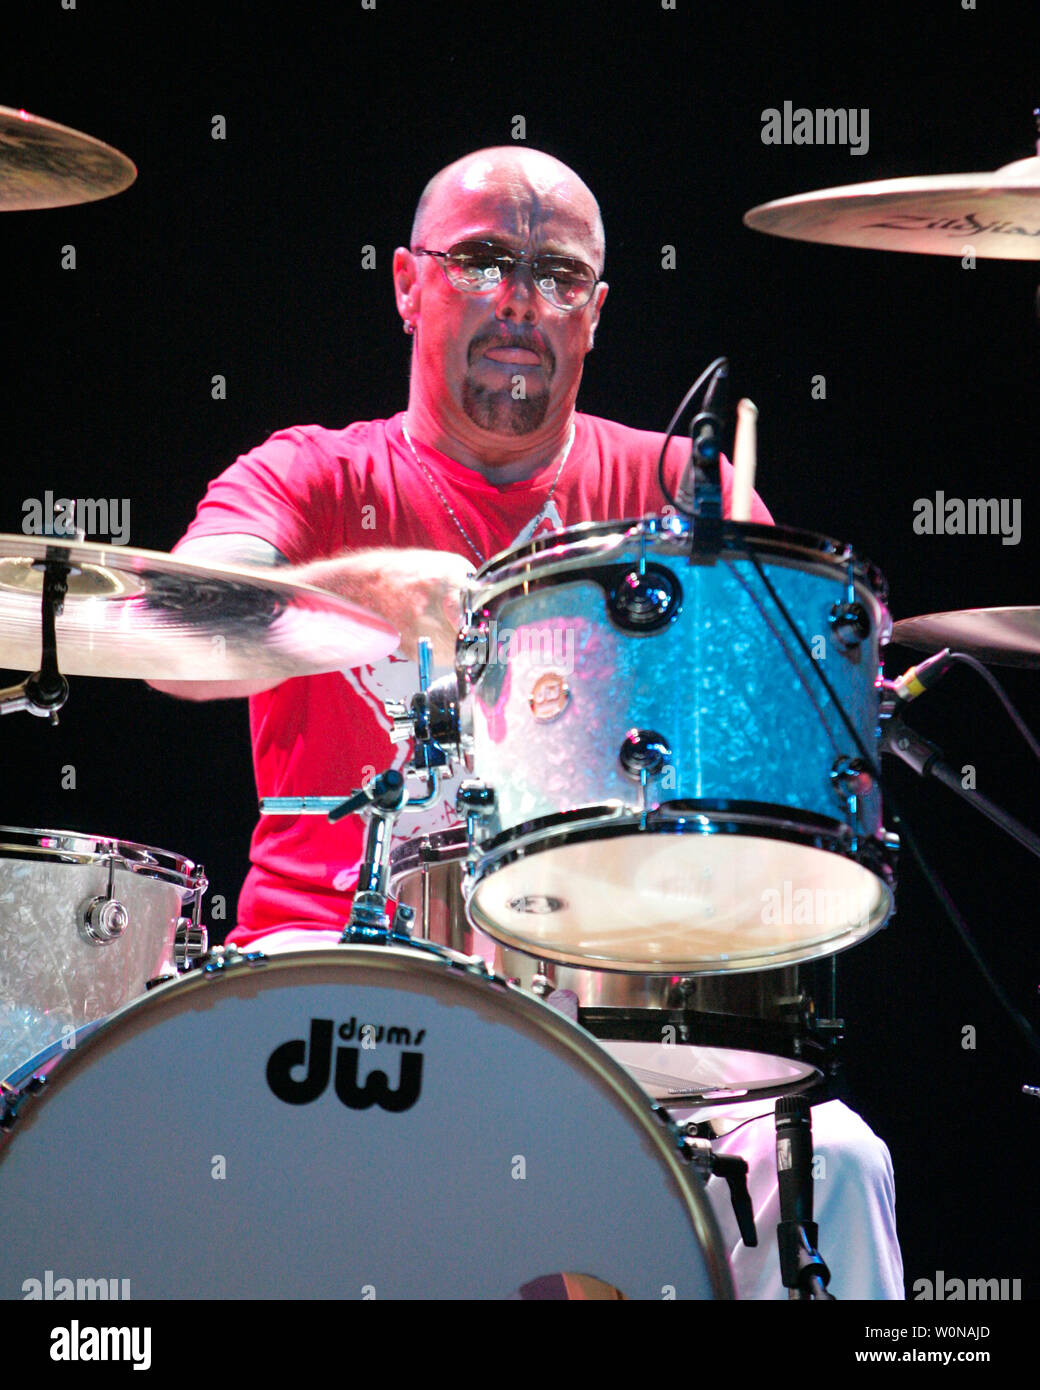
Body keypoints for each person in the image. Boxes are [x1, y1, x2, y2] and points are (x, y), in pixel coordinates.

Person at [154, 145, 902, 1300]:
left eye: (556, 275)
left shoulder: (680, 494)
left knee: (839, 1162)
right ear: (407, 283)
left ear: (594, 312)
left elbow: (780, 736)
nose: (518, 301)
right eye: (481, 261)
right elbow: (172, 629)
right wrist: (355, 588)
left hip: (616, 1015)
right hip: (333, 986)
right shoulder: (309, 473)